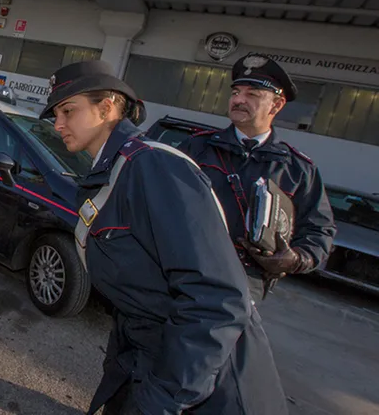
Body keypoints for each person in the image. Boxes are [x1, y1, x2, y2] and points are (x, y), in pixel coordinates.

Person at [41, 60, 287, 415]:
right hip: (151, 361)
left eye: (68, 110)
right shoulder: (113, 171)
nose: (58, 123)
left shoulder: (154, 166)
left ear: (107, 106)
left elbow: (216, 299)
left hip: (206, 386)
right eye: (56, 114)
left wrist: (162, 399)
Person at [178, 54, 336, 304]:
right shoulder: (196, 148)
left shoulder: (297, 170)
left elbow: (319, 230)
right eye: (236, 92)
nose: (238, 100)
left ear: (276, 105)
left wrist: (296, 259)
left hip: (243, 283)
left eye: (252, 94)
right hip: (180, 268)